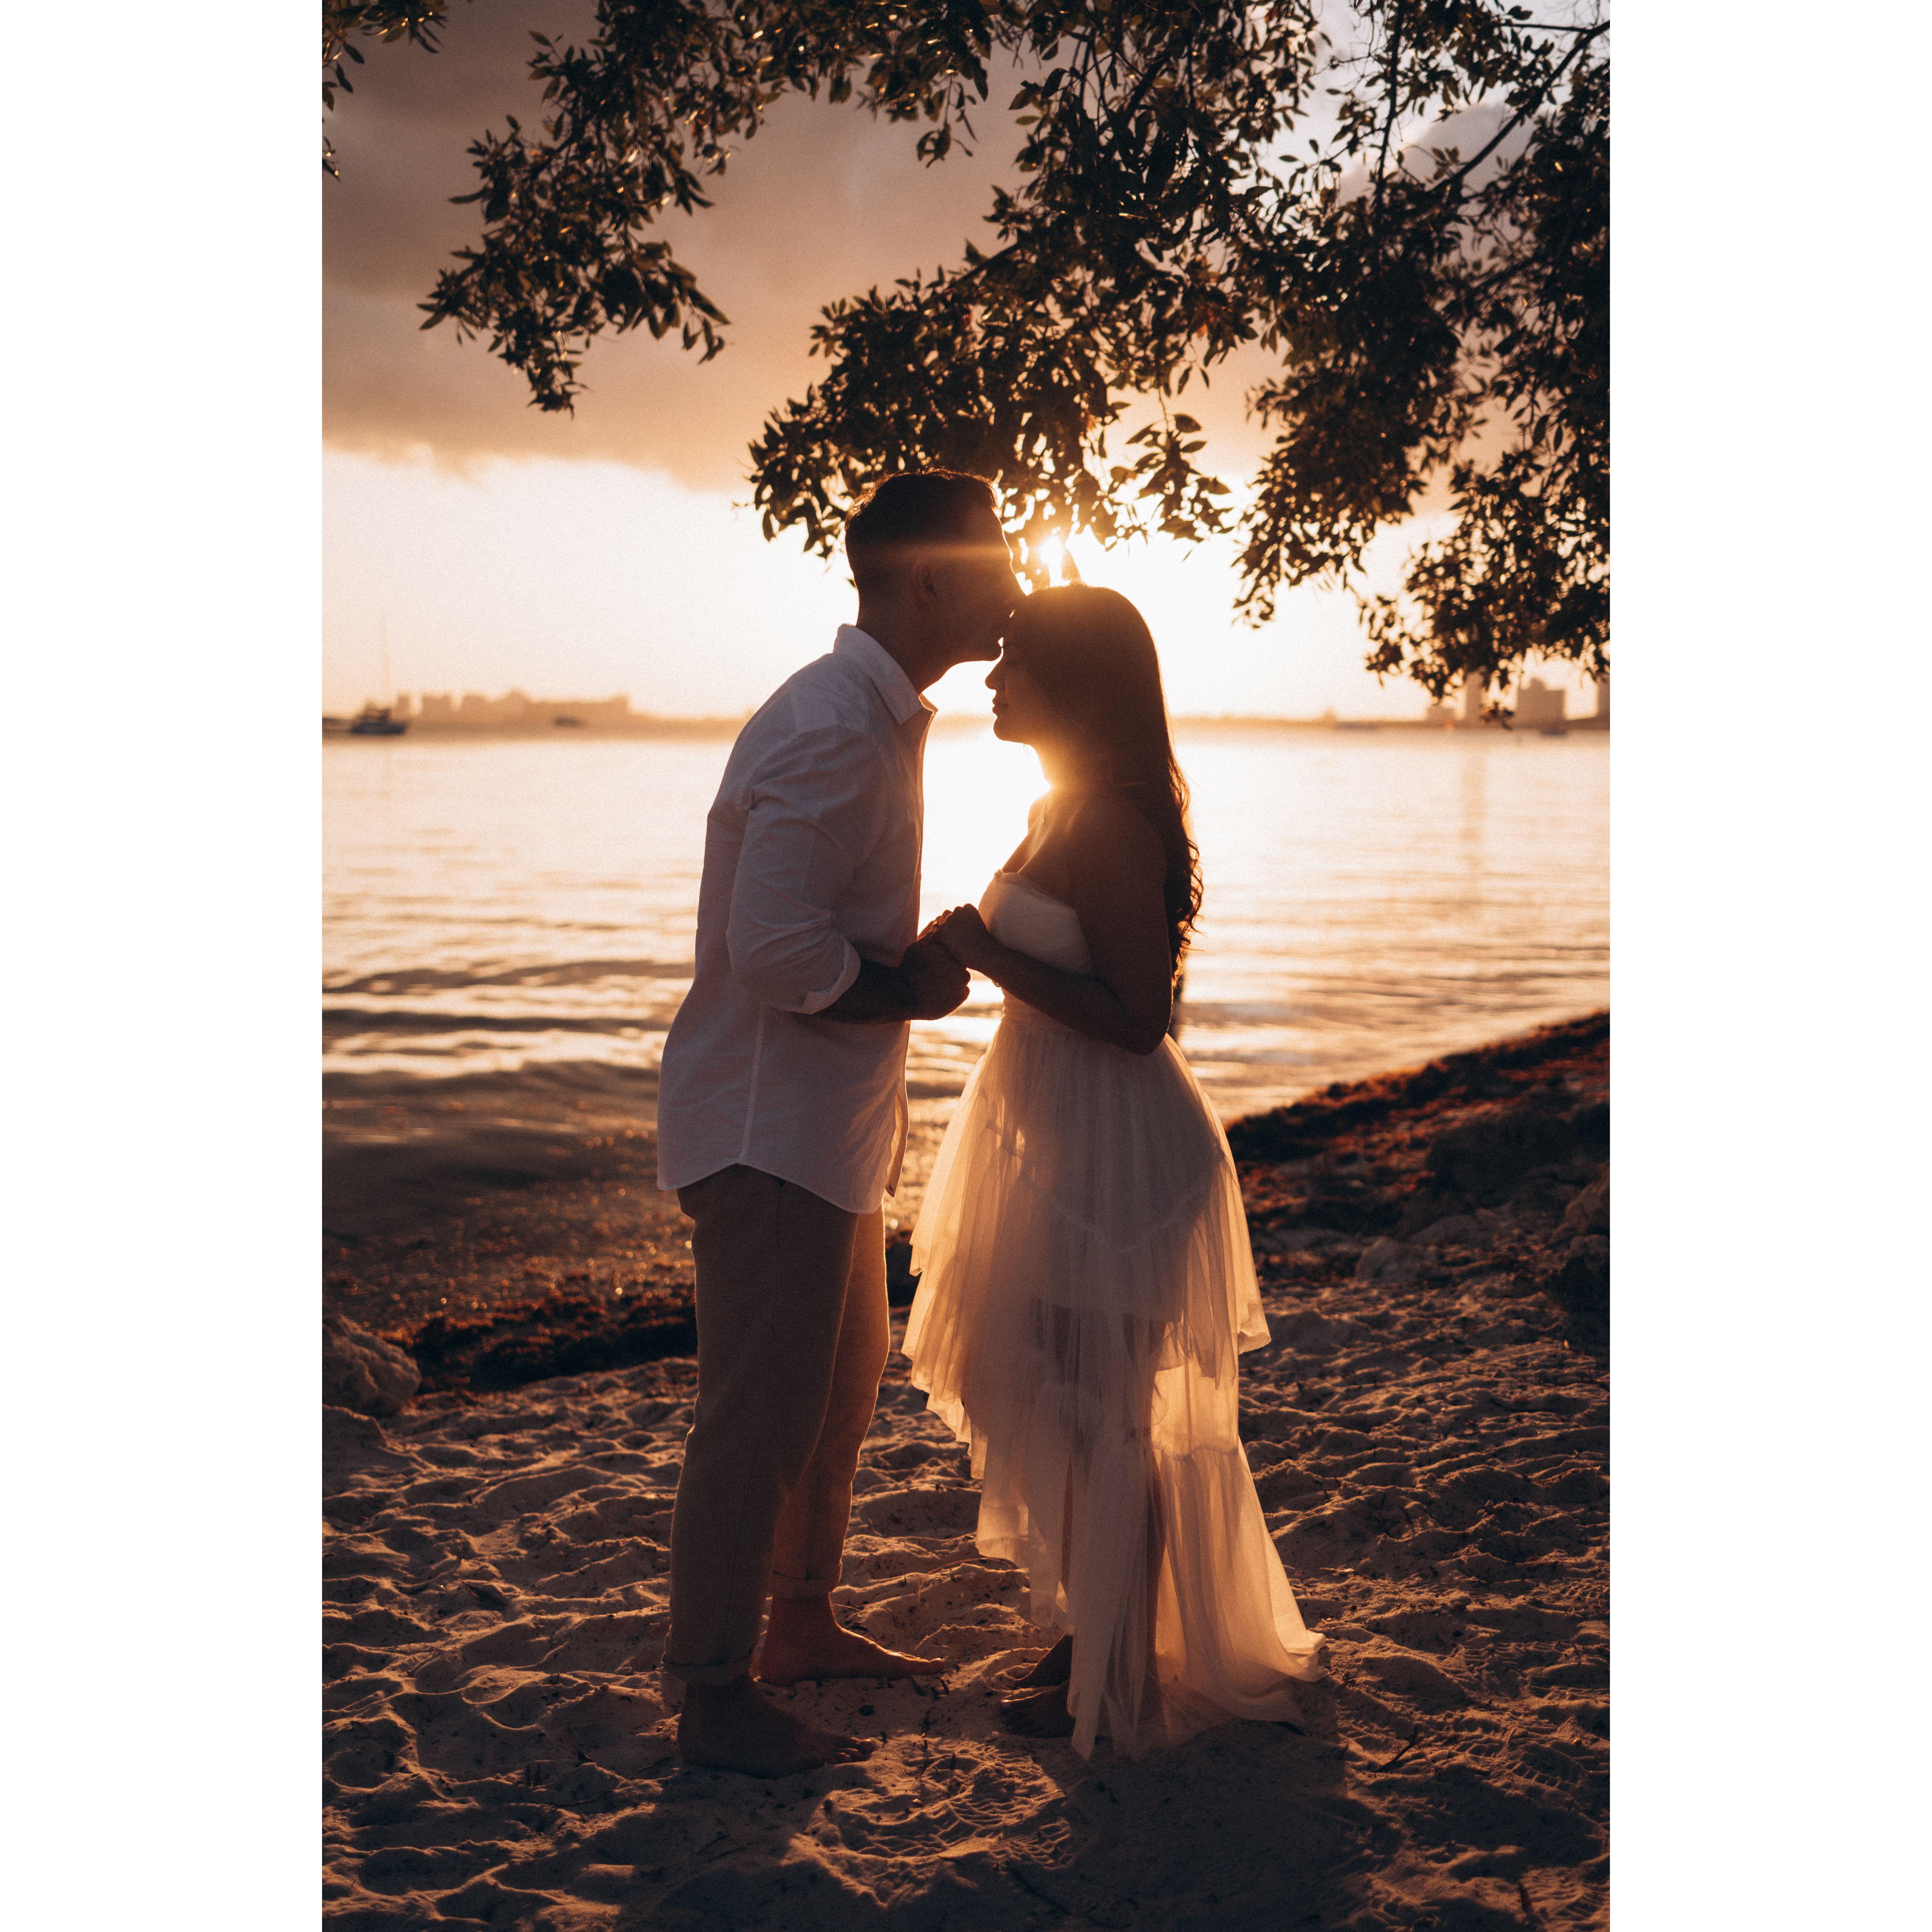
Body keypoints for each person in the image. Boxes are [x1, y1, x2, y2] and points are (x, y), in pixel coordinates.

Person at [906, 584, 1329, 1759]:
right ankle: (1105, 1623)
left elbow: (1139, 1021)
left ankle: (1121, 1665)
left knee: (1103, 1417)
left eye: (1017, 664)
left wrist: (989, 953)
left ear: (1078, 685)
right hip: (1059, 1137)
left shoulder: (1109, 824)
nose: (993, 682)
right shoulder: (1056, 807)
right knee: (1044, 1388)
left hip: (1124, 1153)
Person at [654, 471, 1022, 1777]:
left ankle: (800, 1623)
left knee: (839, 1388)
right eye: (996, 564)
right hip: (767, 1132)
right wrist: (906, 988)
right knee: (758, 1415)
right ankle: (713, 1694)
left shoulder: (876, 718)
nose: (1016, 585)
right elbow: (772, 951)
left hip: (830, 1132)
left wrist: (895, 981)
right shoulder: (830, 728)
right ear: (925, 580)